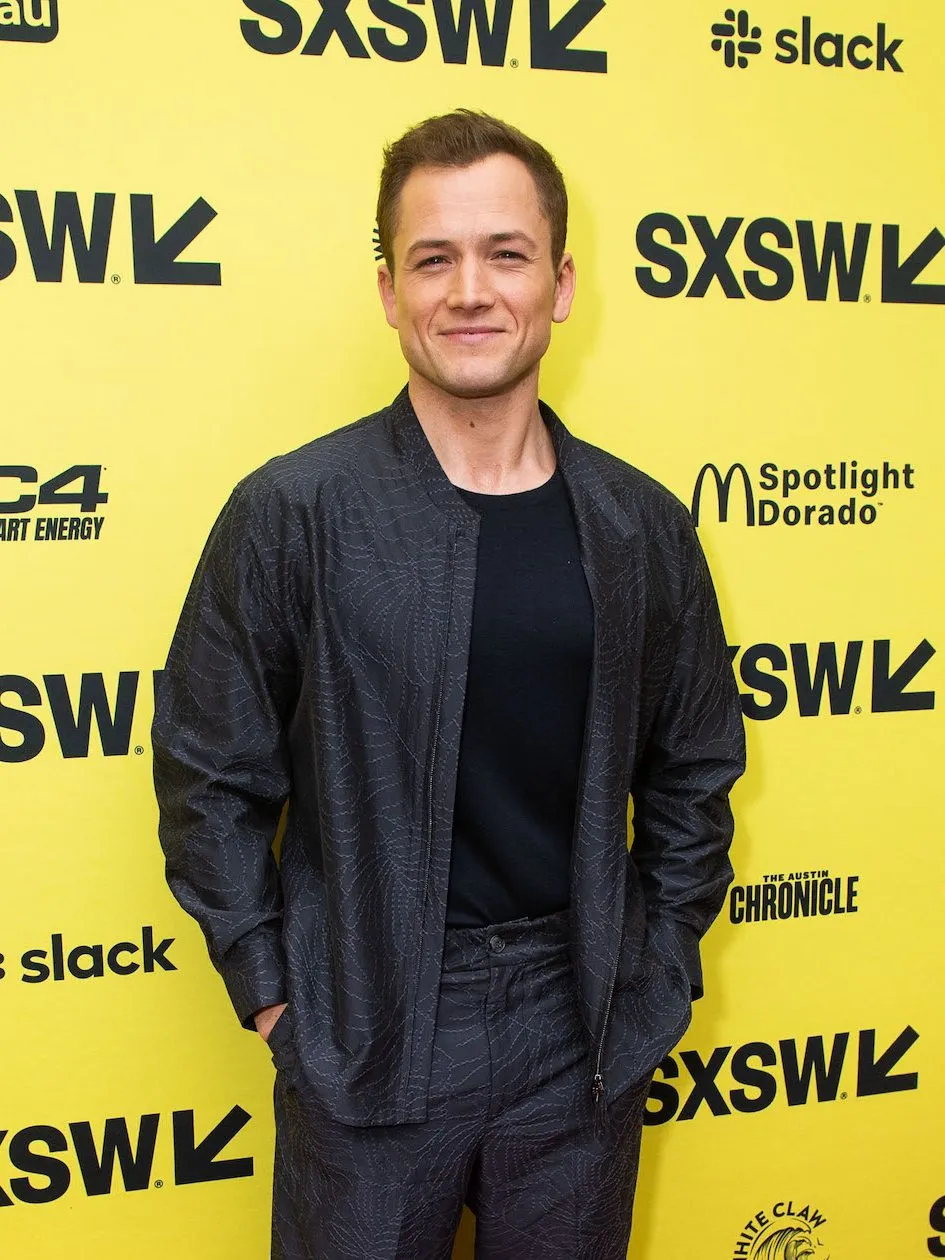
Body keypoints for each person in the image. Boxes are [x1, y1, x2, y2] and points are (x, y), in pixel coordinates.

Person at [152, 109, 745, 1260]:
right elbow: (207, 772)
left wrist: (659, 966)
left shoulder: (641, 527)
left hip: (581, 1025)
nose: (470, 290)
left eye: (505, 254)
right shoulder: (292, 513)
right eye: (434, 259)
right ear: (390, 292)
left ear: (560, 284)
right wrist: (276, 992)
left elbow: (696, 771)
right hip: (363, 1016)